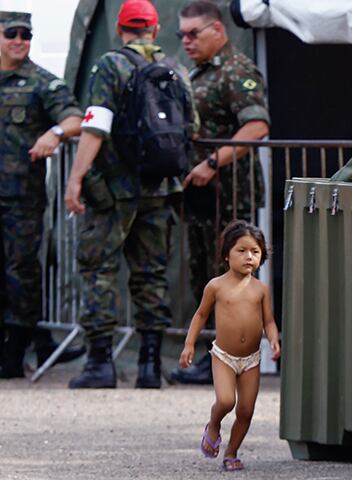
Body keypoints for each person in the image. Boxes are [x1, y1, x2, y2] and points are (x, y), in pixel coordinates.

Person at [64, 0, 197, 389]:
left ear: (120, 29)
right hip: (161, 188)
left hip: (113, 191)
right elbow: (191, 126)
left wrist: (76, 178)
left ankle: (100, 364)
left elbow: (96, 125)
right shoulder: (177, 69)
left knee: (99, 271)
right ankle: (149, 367)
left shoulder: (110, 65)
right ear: (155, 30)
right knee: (152, 275)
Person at [169, 0, 271, 386]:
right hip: (203, 197)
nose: (186, 41)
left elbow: (256, 127)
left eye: (194, 33)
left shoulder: (236, 70)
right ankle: (213, 357)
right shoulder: (199, 73)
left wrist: (212, 162)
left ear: (218, 30)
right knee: (208, 278)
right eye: (181, 35)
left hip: (230, 195)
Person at [0, 11, 84, 378]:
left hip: (21, 199)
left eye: (27, 35)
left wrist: (55, 133)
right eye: (12, 33)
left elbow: (75, 119)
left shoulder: (42, 82)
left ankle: (15, 353)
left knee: (21, 271)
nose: (20, 41)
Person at [180, 220, 280, 471]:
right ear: (226, 254)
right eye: (241, 250)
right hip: (224, 356)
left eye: (255, 251)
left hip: (251, 359)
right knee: (226, 401)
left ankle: (231, 452)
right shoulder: (216, 286)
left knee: (246, 410)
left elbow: (268, 320)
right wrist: (189, 344)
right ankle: (213, 425)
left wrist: (274, 339)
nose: (249, 257)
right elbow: (201, 315)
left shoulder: (261, 289)